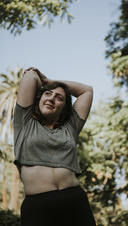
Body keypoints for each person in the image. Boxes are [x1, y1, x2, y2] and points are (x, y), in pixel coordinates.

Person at [13, 67, 96, 226]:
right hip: (38, 206)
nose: (51, 98)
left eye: (59, 97)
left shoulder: (70, 127)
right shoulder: (25, 122)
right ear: (39, 98)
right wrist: (45, 83)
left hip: (74, 201)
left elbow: (87, 91)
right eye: (47, 93)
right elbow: (31, 75)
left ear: (64, 108)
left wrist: (51, 83)